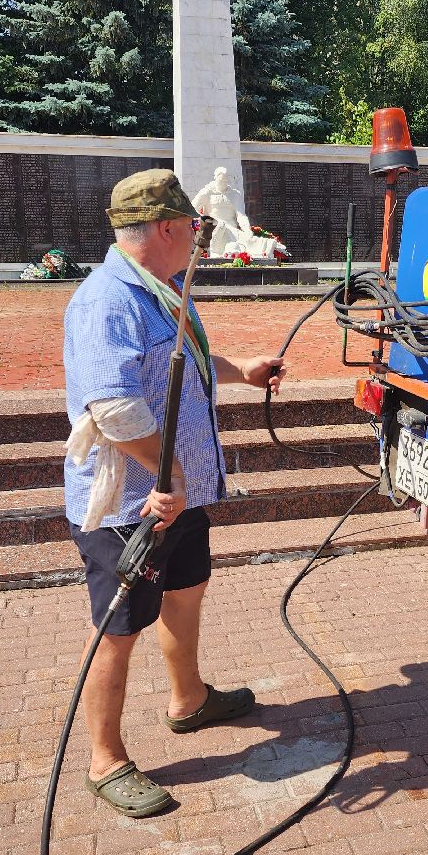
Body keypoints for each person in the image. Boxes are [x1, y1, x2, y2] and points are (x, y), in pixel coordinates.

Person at [62, 168, 286, 818]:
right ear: (166, 228)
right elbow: (113, 406)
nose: (199, 238)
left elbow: (175, 363)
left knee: (185, 597)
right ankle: (105, 761)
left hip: (179, 501)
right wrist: (169, 472)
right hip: (131, 509)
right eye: (193, 227)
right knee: (118, 629)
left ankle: (188, 700)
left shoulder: (161, 289)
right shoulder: (108, 300)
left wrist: (239, 370)